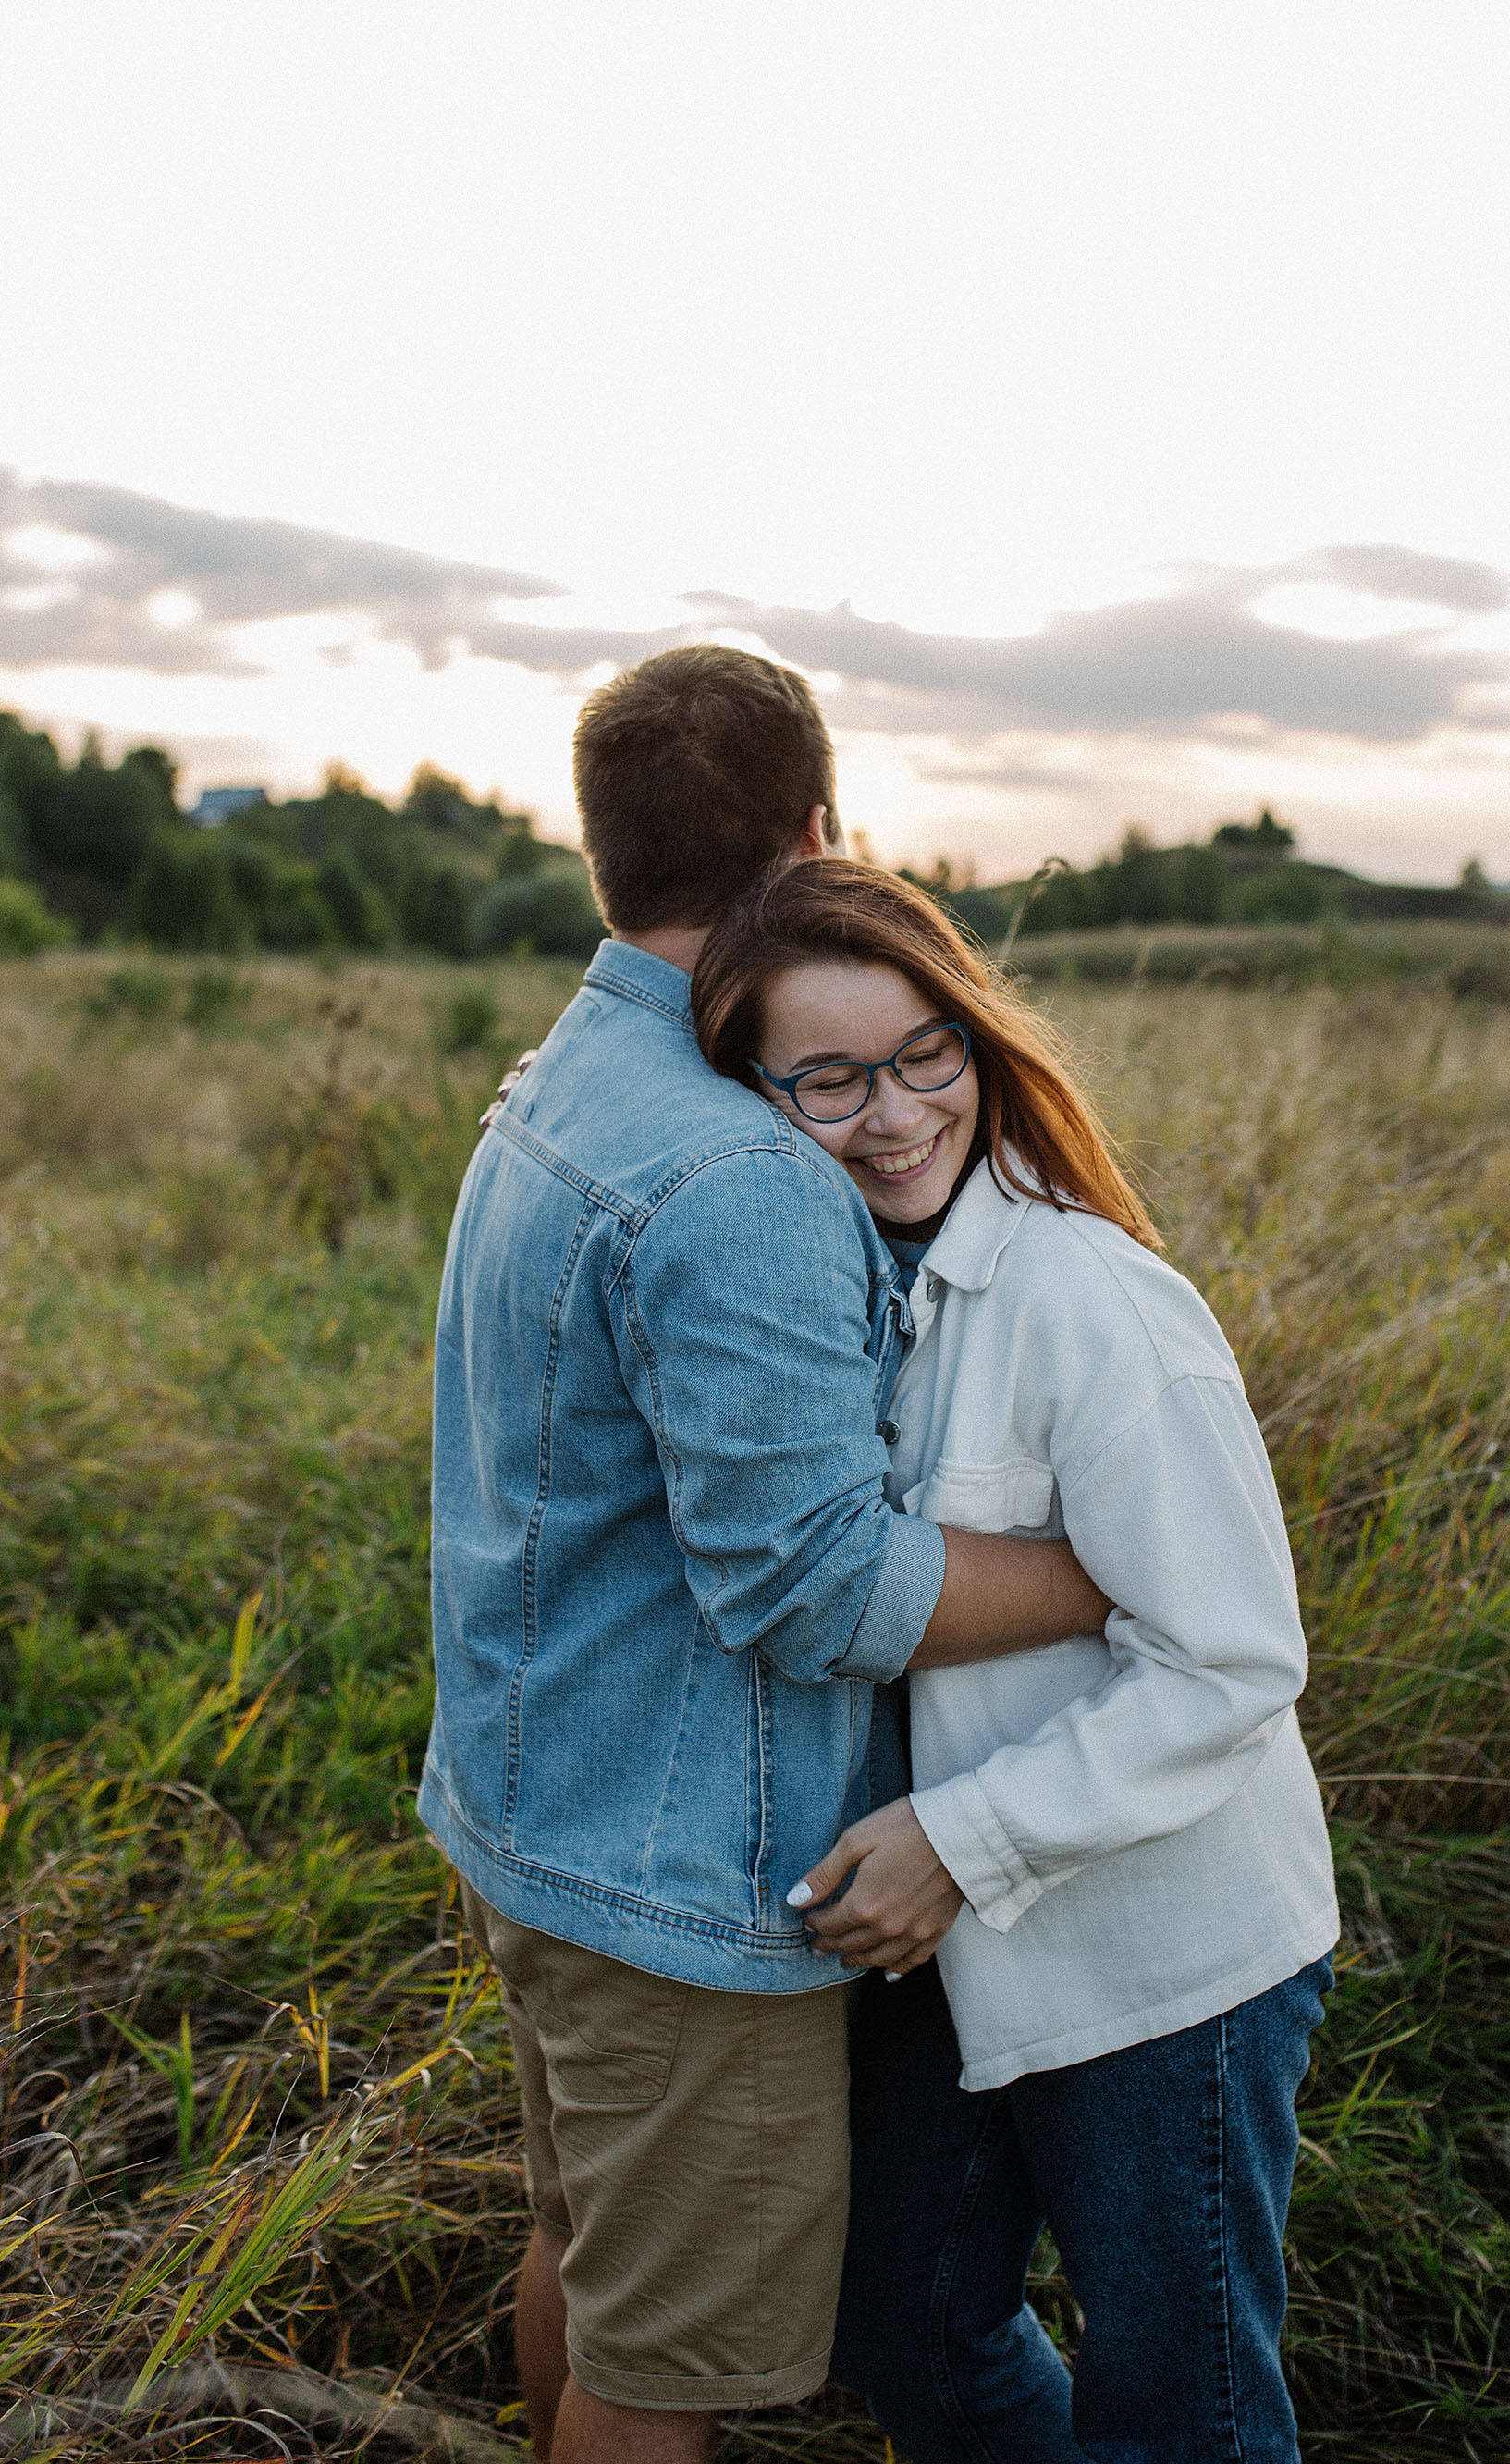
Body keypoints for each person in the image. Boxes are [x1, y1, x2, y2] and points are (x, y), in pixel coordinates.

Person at [418, 647, 1116, 2464]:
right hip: (671, 1880)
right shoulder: (739, 1169)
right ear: (818, 832)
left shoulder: (562, 1086)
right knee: (672, 2364)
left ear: (599, 857)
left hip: (537, 1815)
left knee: (586, 2243)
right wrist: (1099, 1572)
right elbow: (817, 1589)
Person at [692, 857, 1341, 2464]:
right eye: (828, 1078)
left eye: (928, 1054)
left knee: (1180, 2411)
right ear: (755, 1096)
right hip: (948, 1954)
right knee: (897, 2324)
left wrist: (958, 1845)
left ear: (981, 1045)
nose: (897, 1113)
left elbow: (1236, 1663)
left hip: (1156, 1955)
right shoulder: (821, 1294)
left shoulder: (1093, 1301)